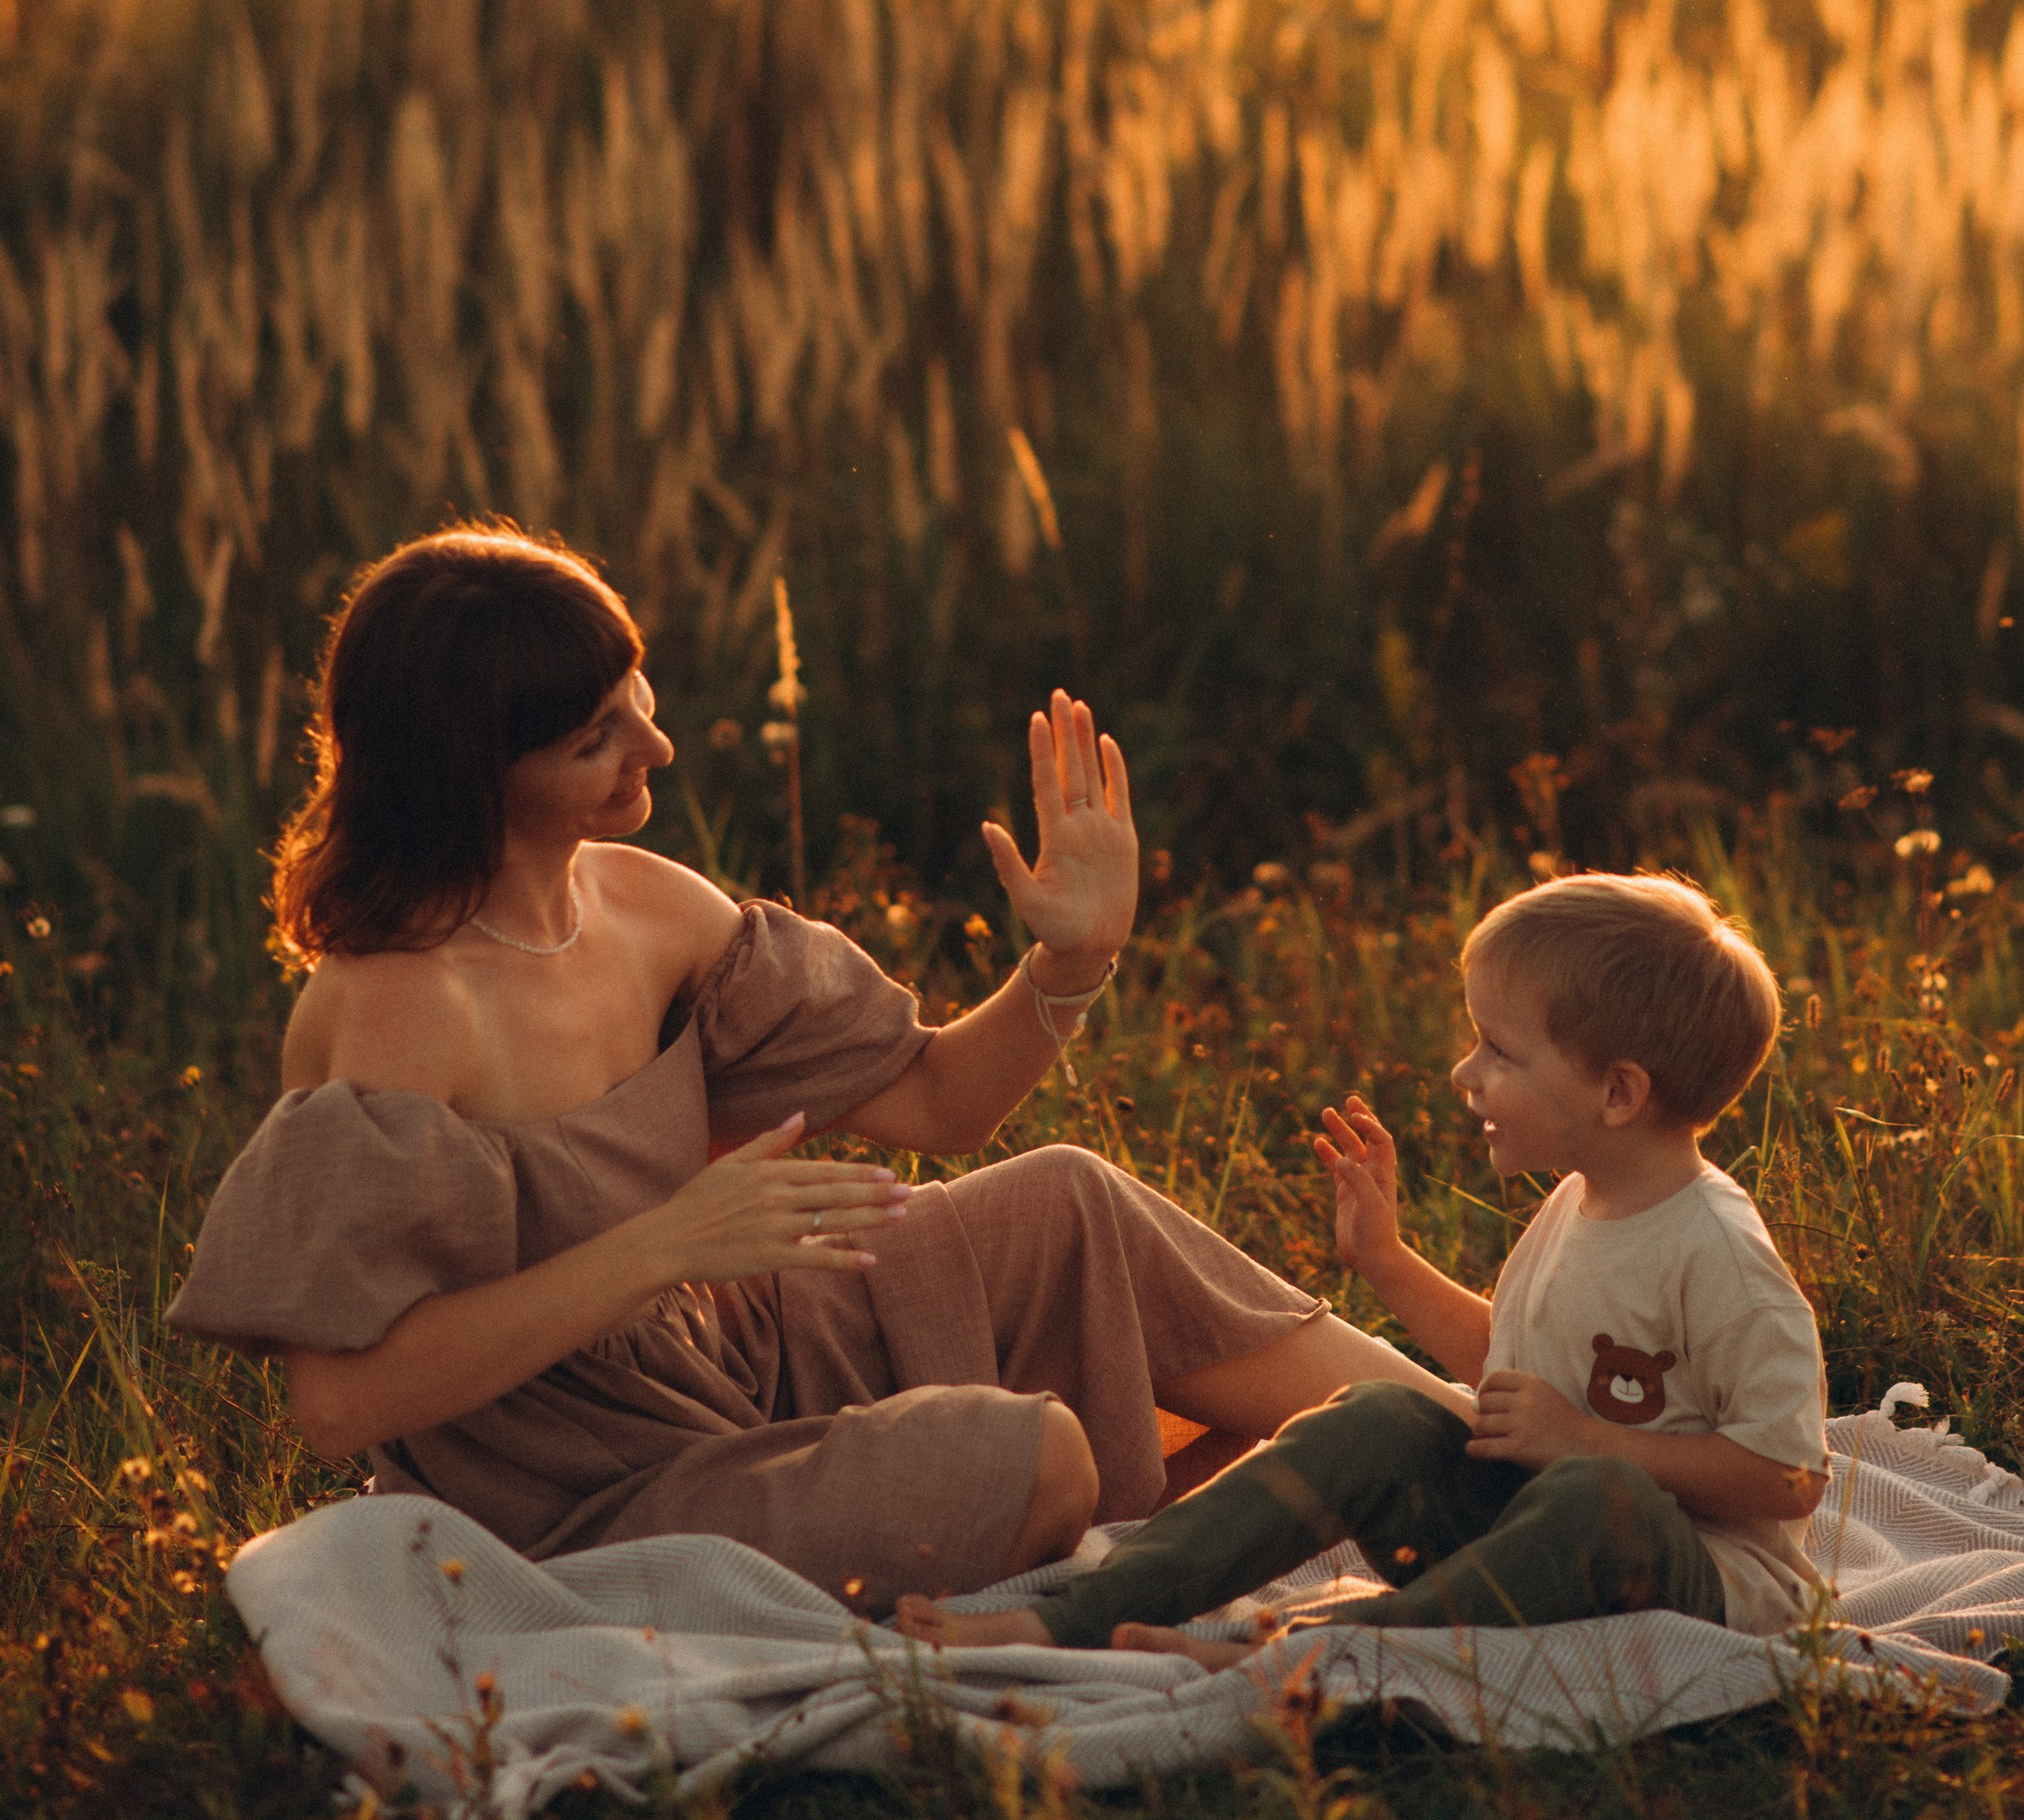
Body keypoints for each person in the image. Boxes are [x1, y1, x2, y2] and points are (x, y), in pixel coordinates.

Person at [165, 525, 1458, 1618]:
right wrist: (664, 1244)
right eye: (594, 740)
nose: (653, 752)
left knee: (1073, 1201)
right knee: (1035, 1462)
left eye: (640, 698)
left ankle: (1494, 1452)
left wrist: (1070, 966)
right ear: (470, 775)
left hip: (733, 1348)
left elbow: (943, 1104)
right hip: (586, 1495)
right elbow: (345, 1400)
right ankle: (1258, 1526)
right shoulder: (401, 1005)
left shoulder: (647, 906)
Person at [897, 871, 1828, 1663]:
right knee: (1379, 1415)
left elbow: (1789, 1478)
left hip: (1697, 1582)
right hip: (1530, 1535)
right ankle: (1081, 1616)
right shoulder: (1580, 1202)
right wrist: (1384, 1261)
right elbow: (1511, 1374)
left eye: (1499, 1051)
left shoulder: (1719, 1255)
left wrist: (1599, 1446)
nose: (1465, 1074)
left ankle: (1322, 1655)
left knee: (1600, 1494)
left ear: (1618, 1093)